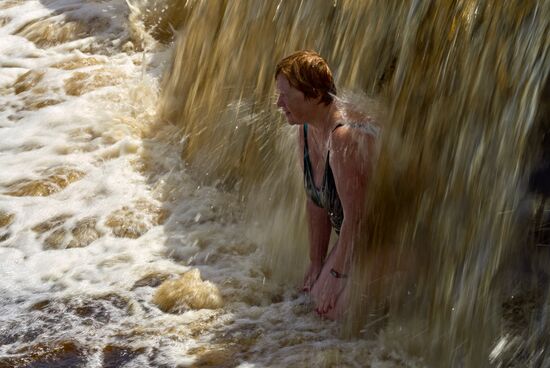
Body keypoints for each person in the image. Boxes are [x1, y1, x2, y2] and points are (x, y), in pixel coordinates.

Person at [274, 50, 378, 320]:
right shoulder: (306, 129)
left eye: (286, 95)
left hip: (386, 238)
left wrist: (337, 274)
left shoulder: (342, 137)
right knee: (312, 298)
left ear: (315, 94)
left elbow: (357, 220)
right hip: (355, 235)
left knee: (333, 312)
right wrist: (316, 261)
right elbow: (314, 200)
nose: (278, 103)